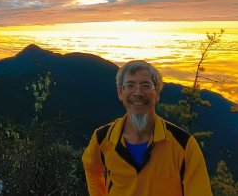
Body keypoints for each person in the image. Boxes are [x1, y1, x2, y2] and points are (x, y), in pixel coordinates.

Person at [82, 60, 212, 196]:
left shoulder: (184, 146)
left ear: (157, 93)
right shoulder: (103, 138)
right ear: (120, 92)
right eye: (130, 85)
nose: (138, 92)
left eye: (145, 85)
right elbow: (91, 169)